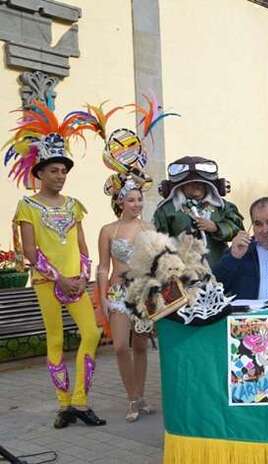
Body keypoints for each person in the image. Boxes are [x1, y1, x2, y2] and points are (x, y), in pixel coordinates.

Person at [7, 102, 104, 428]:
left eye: (63, 171)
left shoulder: (74, 205)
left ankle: (80, 400)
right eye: (54, 171)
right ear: (39, 173)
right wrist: (60, 278)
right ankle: (64, 406)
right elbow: (31, 252)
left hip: (76, 282)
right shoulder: (27, 206)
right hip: (47, 282)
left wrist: (83, 276)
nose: (60, 176)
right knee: (56, 340)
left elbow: (82, 245)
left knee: (91, 333)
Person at [95, 114, 158, 423]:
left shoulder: (149, 228)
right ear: (120, 202)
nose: (137, 204)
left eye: (139, 199)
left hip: (142, 293)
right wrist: (102, 299)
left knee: (141, 346)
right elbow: (102, 267)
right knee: (121, 347)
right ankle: (130, 396)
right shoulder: (108, 230)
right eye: (131, 200)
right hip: (119, 293)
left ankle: (140, 398)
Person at [153, 156, 244, 268]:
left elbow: (239, 231)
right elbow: (157, 243)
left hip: (219, 269)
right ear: (181, 185)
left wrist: (216, 228)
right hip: (183, 271)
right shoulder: (167, 210)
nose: (196, 186)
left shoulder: (222, 206)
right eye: (190, 183)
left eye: (199, 182)